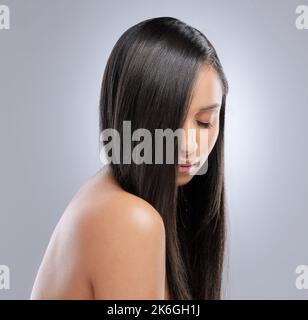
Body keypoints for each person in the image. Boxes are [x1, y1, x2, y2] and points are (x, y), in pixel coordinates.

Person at [31, 16, 229, 300]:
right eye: (170, 122)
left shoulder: (110, 193)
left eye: (205, 121)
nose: (189, 145)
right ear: (133, 120)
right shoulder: (129, 220)